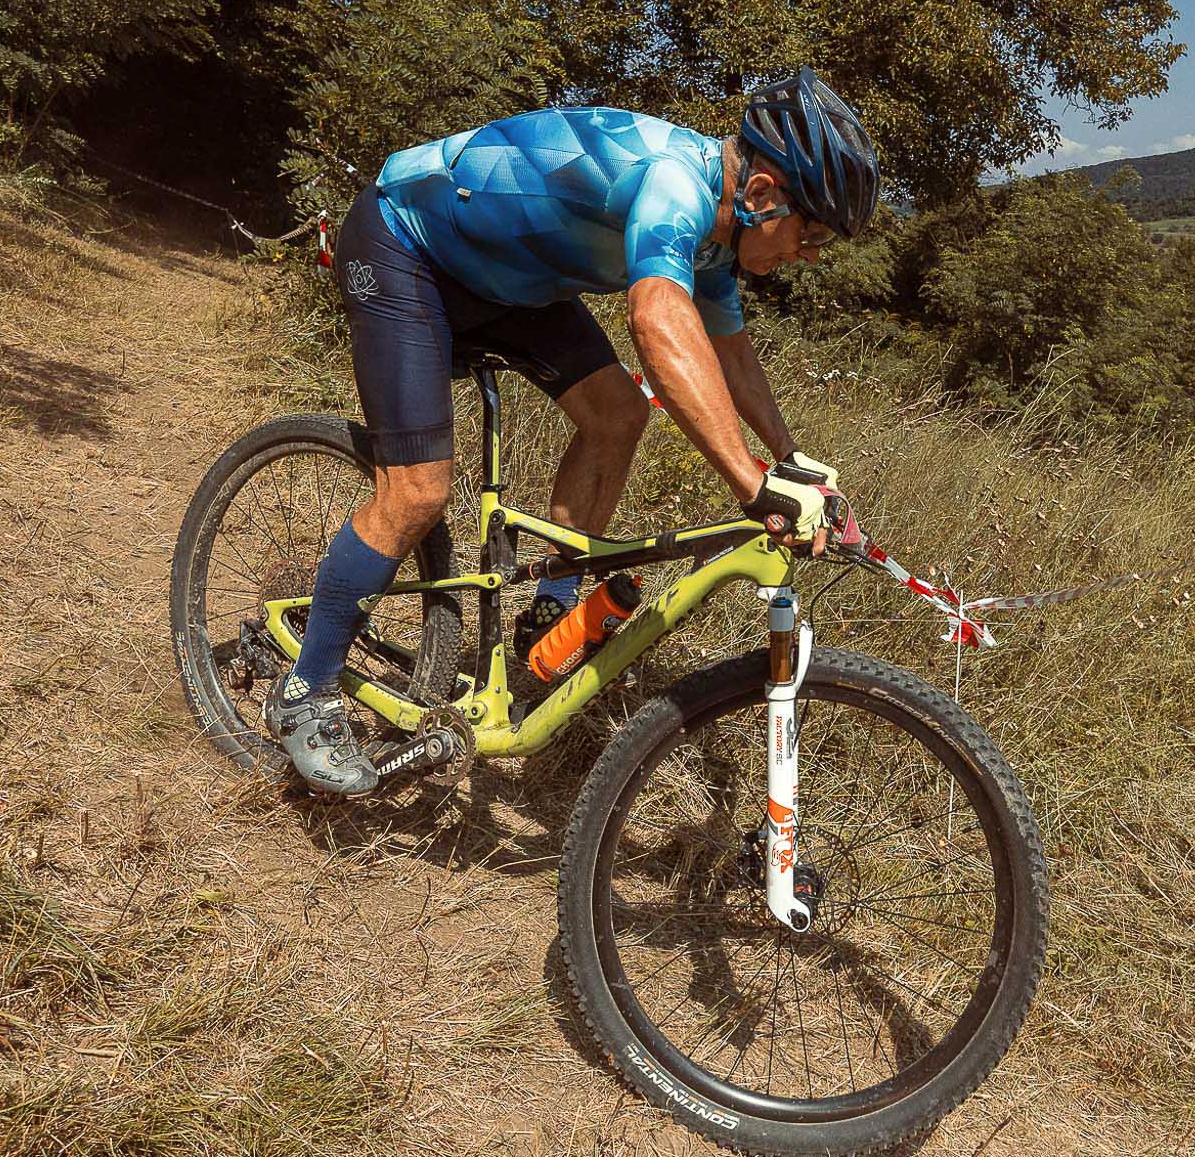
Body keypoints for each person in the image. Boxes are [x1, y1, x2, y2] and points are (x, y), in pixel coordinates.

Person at [272, 71, 881, 795]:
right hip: (406, 246)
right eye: (813, 232)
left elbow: (731, 352)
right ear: (762, 192)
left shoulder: (720, 240)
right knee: (418, 491)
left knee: (618, 414)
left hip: (512, 282)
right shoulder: (673, 183)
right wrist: (752, 484)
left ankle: (549, 611)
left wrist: (790, 457)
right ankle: (305, 691)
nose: (810, 254)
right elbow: (656, 320)